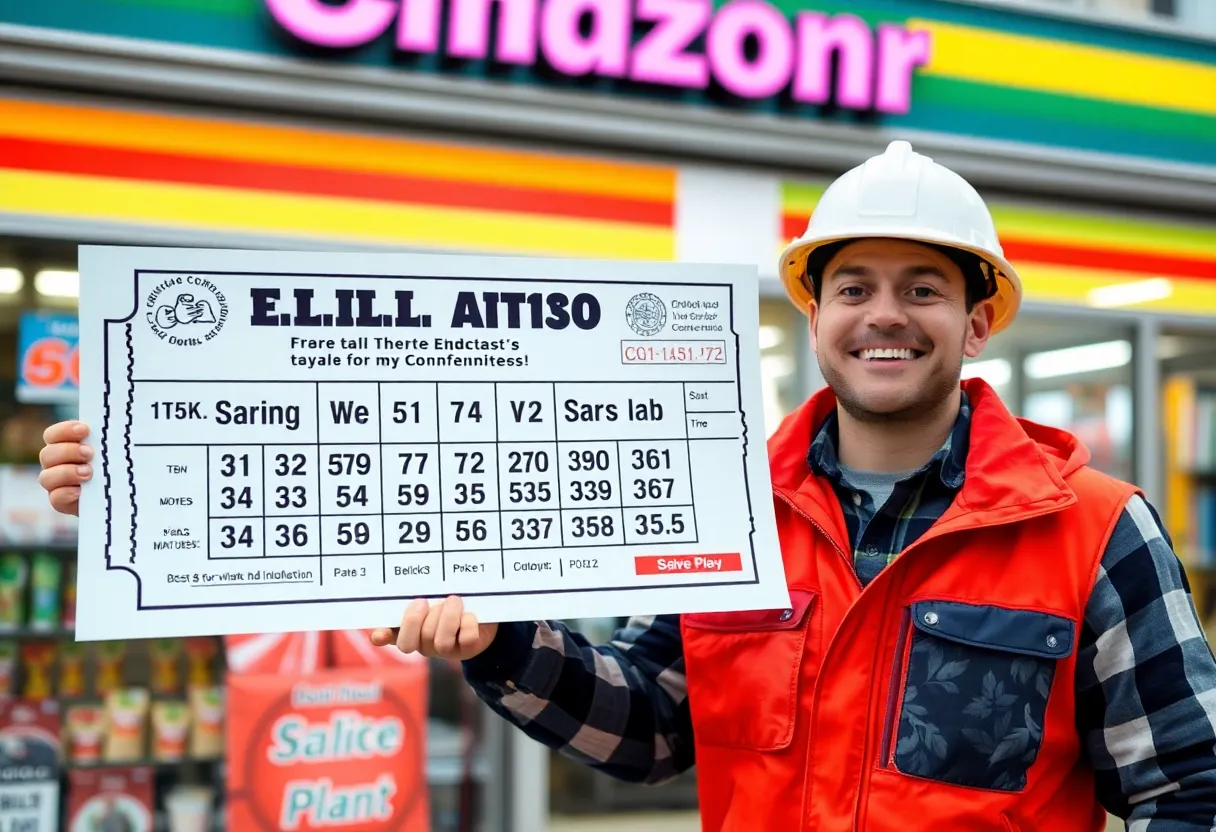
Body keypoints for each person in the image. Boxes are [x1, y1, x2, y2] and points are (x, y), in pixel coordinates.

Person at [37, 141, 1216, 830]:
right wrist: (155, 470)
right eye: (854, 286)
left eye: (924, 289)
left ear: (977, 320)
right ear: (814, 313)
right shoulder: (728, 507)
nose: (884, 316)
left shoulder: (1093, 527)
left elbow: (1188, 782)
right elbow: (650, 724)